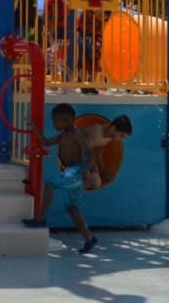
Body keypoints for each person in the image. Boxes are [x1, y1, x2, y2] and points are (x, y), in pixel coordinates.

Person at [21, 103, 132, 254]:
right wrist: (34, 128)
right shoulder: (92, 132)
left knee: (50, 184)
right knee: (72, 208)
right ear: (113, 129)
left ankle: (40, 219)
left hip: (77, 168)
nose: (121, 140)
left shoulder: (102, 137)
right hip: (76, 167)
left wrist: (92, 172)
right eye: (122, 136)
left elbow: (92, 152)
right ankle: (89, 238)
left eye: (55, 121)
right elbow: (49, 143)